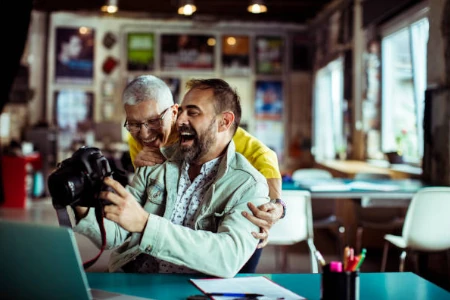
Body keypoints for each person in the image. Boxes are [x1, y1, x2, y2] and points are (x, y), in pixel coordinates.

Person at [73, 79, 270, 278]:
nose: (180, 120)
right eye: (181, 111)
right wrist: (79, 201)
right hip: (136, 281)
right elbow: (115, 235)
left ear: (224, 122)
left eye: (192, 112)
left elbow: (228, 257)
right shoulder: (154, 163)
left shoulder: (249, 185)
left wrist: (146, 224)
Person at [125, 75, 284, 272]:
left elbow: (264, 156)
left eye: (153, 122)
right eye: (135, 125)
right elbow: (144, 199)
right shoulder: (138, 141)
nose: (145, 134)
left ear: (171, 113)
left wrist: (276, 205)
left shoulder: (211, 131)